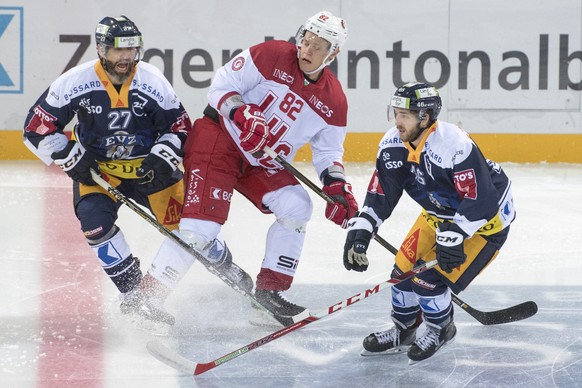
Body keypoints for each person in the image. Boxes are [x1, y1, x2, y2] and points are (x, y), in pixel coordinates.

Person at [141, 10, 358, 326]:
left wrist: (336, 185)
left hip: (261, 161)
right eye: (305, 41)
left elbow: (328, 154)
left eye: (318, 46)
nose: (307, 51)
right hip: (220, 138)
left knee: (297, 206)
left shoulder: (334, 100)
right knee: (199, 231)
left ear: (334, 53)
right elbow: (220, 87)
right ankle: (148, 299)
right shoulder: (271, 54)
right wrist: (241, 112)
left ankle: (268, 294)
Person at [22, 15, 205, 329]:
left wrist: (164, 154)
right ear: (101, 49)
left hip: (149, 172)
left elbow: (180, 126)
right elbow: (34, 129)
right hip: (99, 174)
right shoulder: (75, 82)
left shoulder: (151, 79)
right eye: (117, 49)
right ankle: (135, 294)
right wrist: (67, 154)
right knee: (95, 227)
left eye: (131, 49)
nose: (125, 57)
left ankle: (168, 288)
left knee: (191, 232)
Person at [343, 82, 515, 363]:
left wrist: (457, 234)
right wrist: (365, 225)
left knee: (427, 281)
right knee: (402, 272)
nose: (398, 122)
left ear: (425, 117)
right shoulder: (391, 145)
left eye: (405, 115)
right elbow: (382, 193)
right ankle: (405, 327)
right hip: (437, 216)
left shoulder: (453, 145)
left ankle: (440, 328)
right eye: (395, 113)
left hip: (484, 223)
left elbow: (482, 200)